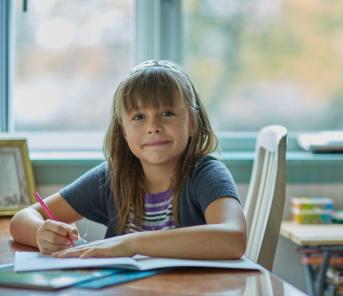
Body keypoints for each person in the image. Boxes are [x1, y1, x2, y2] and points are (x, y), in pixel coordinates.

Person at [10, 60, 247, 260]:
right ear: (123, 130)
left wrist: (131, 243)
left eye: (167, 113)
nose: (153, 127)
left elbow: (234, 238)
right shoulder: (111, 177)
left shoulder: (206, 174)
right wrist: (41, 232)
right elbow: (21, 220)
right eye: (139, 117)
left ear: (192, 122)